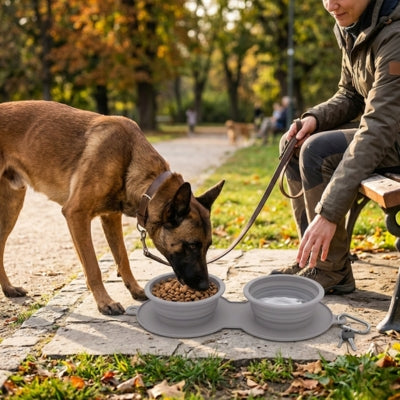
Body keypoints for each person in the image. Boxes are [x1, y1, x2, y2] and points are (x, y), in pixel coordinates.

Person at [271, 0, 400, 295]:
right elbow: (351, 93)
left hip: (390, 134)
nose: (330, 4)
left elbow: (378, 127)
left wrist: (328, 214)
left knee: (319, 150)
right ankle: (314, 261)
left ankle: (332, 269)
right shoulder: (351, 22)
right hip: (388, 131)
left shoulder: (395, 34)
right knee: (294, 142)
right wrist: (314, 119)